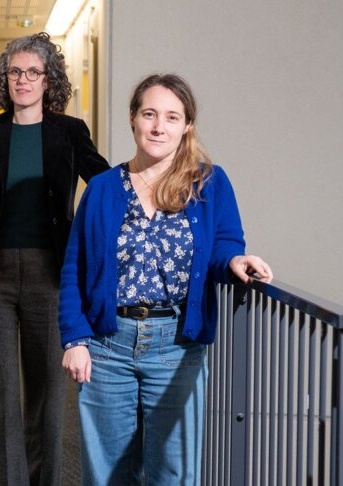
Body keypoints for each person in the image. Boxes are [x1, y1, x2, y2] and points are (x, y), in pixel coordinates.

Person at [58, 73, 273, 484]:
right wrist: (74, 340)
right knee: (107, 475)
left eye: (172, 117)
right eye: (150, 114)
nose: (159, 126)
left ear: (187, 125)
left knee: (173, 473)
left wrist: (236, 261)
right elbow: (75, 268)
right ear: (133, 119)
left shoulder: (207, 183)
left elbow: (224, 243)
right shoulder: (103, 188)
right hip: (107, 347)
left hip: (176, 347)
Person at [0, 32, 110, 486]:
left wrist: (152, 176)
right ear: (5, 79)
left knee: (46, 392)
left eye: (32, 72)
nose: (22, 80)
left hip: (51, 276)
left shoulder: (70, 132)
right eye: (15, 72)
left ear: (48, 79)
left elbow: (102, 184)